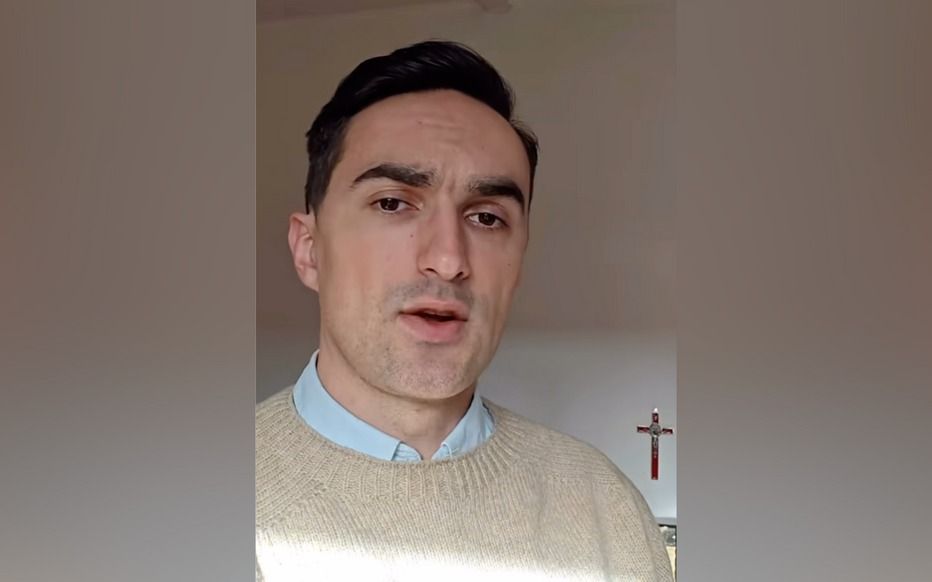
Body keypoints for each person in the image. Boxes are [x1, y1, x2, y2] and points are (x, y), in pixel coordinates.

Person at [256, 40, 673, 581]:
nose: (449, 260)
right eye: (392, 203)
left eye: (486, 218)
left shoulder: (606, 511)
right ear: (309, 250)